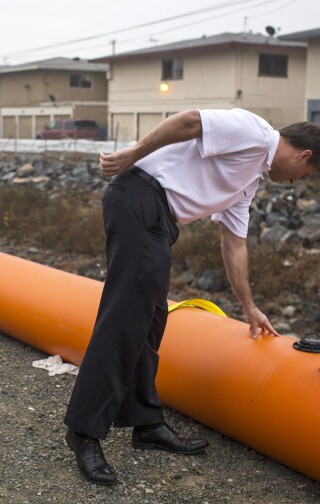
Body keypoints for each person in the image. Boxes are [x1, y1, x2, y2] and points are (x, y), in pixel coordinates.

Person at [63, 108, 320, 485]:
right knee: (124, 320)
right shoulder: (255, 133)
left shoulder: (249, 179)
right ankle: (83, 432)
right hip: (139, 196)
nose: (294, 183)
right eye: (304, 177)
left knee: (151, 321)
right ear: (305, 156)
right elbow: (190, 121)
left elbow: (234, 244)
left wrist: (249, 307)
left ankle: (145, 422)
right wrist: (132, 154)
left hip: (159, 219)